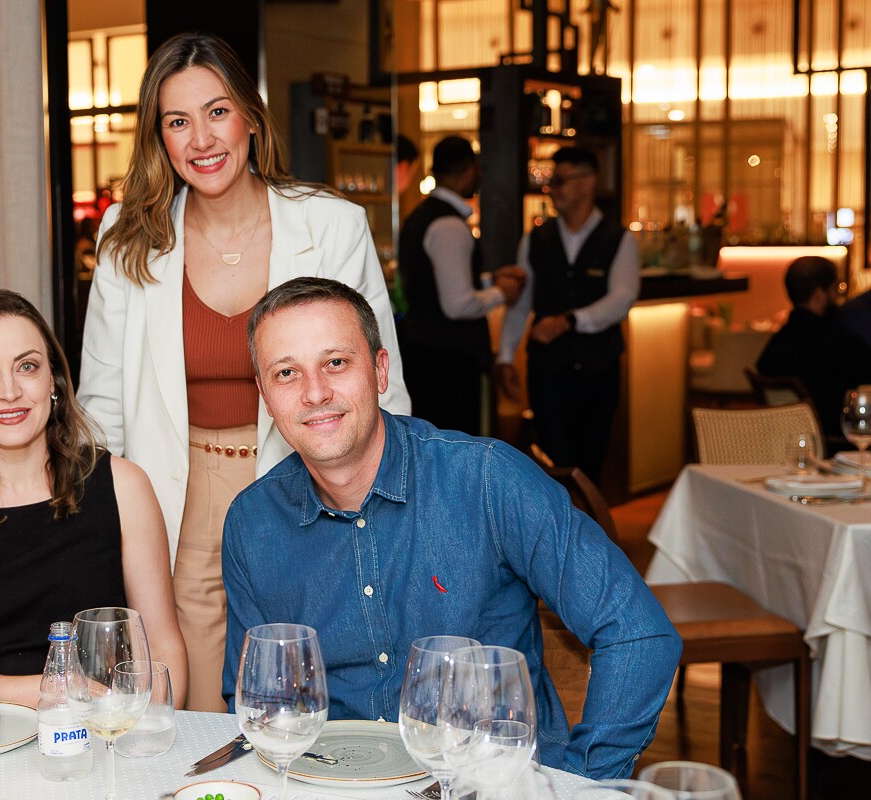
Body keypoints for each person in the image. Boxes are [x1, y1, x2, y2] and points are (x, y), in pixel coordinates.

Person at [222, 277, 680, 780]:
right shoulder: (252, 523)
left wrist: (582, 784)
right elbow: (257, 701)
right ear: (265, 396)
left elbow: (639, 631)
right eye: (287, 373)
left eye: (335, 363)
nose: (315, 393)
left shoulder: (487, 479)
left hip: (489, 784)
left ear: (379, 371)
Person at [78, 32, 410, 712]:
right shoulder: (127, 238)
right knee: (195, 702)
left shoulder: (334, 226)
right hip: (178, 498)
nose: (201, 138)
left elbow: (385, 388)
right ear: (159, 139)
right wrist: (109, 532)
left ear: (252, 119)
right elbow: (101, 407)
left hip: (311, 484)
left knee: (311, 688)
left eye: (217, 111)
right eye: (177, 121)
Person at [0, 290, 187, 707]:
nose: (9, 392)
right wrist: (63, 689)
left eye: (26, 366)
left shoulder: (125, 485)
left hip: (106, 734)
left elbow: (164, 651)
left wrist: (139, 733)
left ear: (53, 381)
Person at [496, 146, 640, 484]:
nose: (553, 189)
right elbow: (521, 303)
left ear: (588, 182)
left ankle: (590, 533)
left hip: (598, 368)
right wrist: (505, 356)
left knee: (591, 464)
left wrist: (569, 321)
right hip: (548, 370)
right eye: (551, 181)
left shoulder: (619, 239)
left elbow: (623, 298)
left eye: (561, 180)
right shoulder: (536, 239)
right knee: (553, 465)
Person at [397, 136, 525, 435]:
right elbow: (457, 305)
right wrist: (502, 293)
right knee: (455, 445)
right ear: (470, 168)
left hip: (423, 350)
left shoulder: (420, 215)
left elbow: (435, 281)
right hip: (448, 362)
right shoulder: (449, 225)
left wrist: (490, 279)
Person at [756, 256, 871, 440]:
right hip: (837, 442)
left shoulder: (777, 344)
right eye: (834, 289)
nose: (837, 297)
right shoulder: (836, 342)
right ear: (819, 294)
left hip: (789, 441)